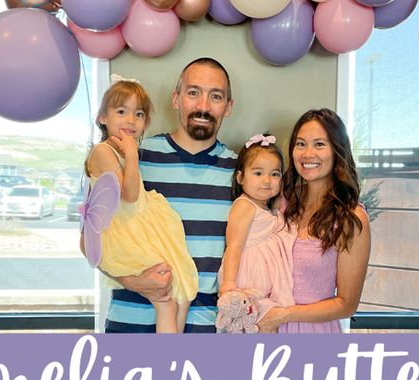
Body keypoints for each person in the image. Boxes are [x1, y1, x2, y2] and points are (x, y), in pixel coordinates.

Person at [104, 58, 237, 333]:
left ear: (228, 106)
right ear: (176, 99)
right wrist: (133, 281)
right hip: (131, 324)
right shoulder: (134, 158)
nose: (203, 106)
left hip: (206, 330)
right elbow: (91, 240)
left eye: (216, 96)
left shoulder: (243, 174)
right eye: (193, 92)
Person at [83, 77, 198, 333]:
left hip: (140, 223)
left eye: (138, 114)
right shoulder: (103, 152)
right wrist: (133, 154)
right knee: (167, 299)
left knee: (184, 291)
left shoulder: (120, 152)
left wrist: (130, 154)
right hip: (127, 232)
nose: (130, 120)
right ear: (103, 117)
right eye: (121, 111)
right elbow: (131, 195)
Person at [257, 108, 371, 333]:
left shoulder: (351, 218)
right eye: (300, 144)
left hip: (313, 333)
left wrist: (284, 315)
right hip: (267, 329)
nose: (308, 153)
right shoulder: (281, 203)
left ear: (337, 151)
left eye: (319, 144)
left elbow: (347, 304)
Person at [217, 133, 293, 327]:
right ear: (240, 177)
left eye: (274, 174)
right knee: (250, 321)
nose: (267, 181)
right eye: (258, 173)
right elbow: (234, 245)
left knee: (260, 323)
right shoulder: (245, 205)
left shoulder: (267, 207)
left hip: (263, 280)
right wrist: (228, 283)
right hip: (246, 274)